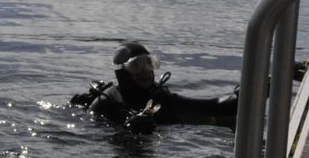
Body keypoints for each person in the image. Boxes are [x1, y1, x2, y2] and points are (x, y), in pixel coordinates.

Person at [71, 42, 238, 133]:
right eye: (136, 66)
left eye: (149, 64)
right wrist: (126, 130)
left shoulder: (160, 97)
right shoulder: (106, 102)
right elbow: (89, 134)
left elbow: (213, 106)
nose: (145, 72)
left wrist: (243, 95)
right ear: (122, 73)